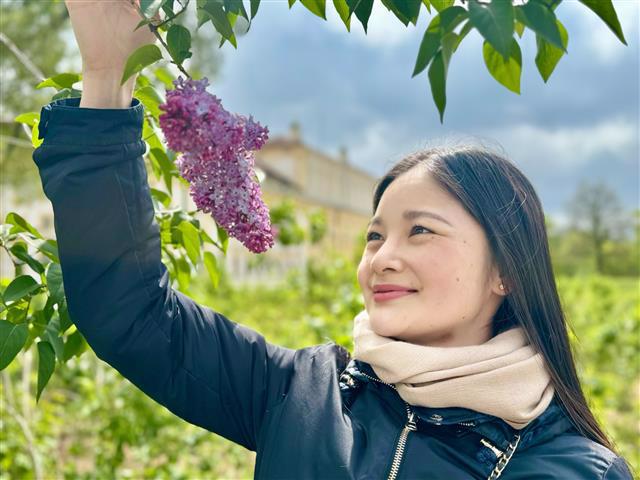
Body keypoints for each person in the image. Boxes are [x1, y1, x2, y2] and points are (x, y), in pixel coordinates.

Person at [31, 1, 634, 478]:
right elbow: (129, 310)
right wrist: (105, 76)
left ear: (507, 269)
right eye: (374, 236)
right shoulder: (301, 393)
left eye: (420, 230)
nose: (383, 258)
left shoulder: (573, 469)